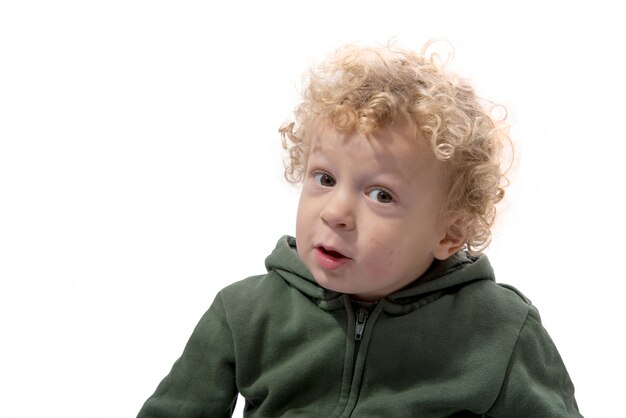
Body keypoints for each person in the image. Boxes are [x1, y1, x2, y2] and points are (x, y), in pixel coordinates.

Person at [137, 41, 582, 417]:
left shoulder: (499, 329)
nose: (336, 212)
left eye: (381, 195)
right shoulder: (247, 313)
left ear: (450, 232)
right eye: (325, 179)